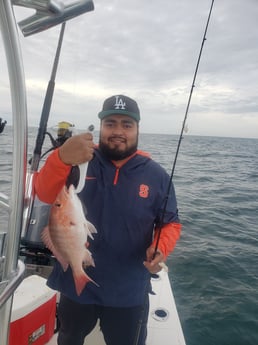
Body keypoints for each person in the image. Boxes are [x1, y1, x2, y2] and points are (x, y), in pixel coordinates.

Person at [35, 94, 182, 345]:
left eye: (127, 124)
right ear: (101, 126)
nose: (118, 131)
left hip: (129, 288)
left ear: (137, 128)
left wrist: (161, 248)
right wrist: (60, 158)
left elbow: (170, 222)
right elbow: (45, 192)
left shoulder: (156, 175)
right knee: (69, 338)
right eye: (111, 123)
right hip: (76, 286)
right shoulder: (79, 162)